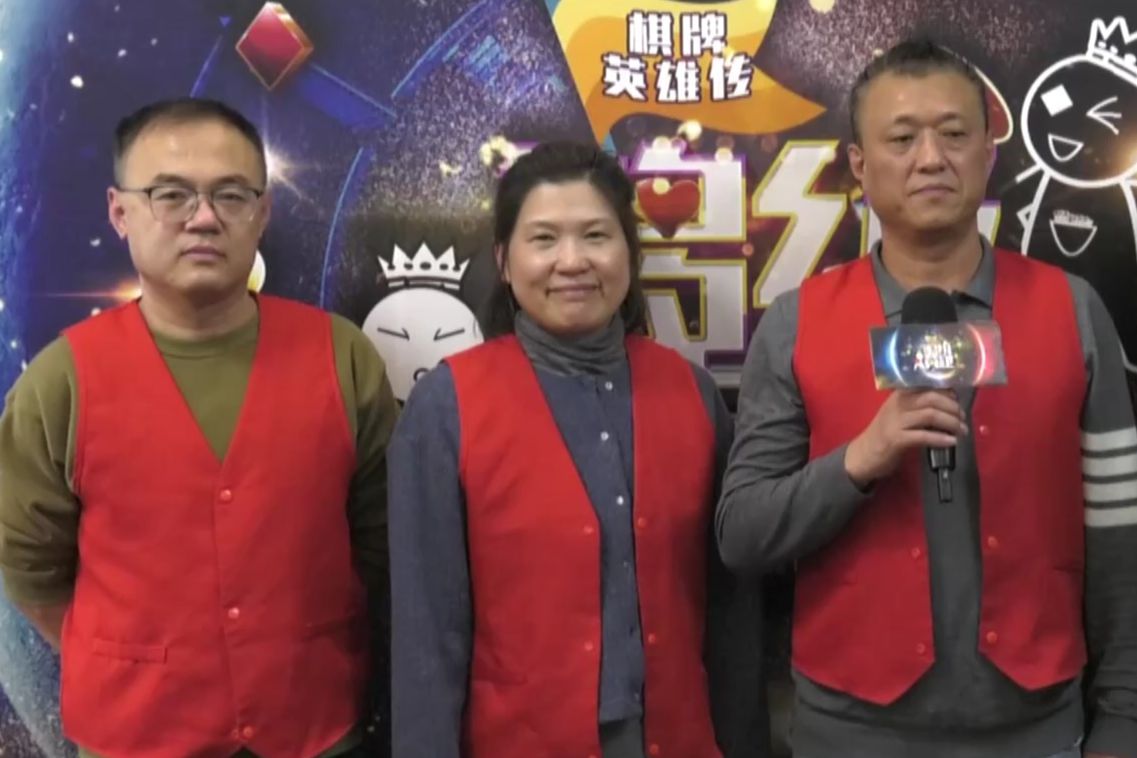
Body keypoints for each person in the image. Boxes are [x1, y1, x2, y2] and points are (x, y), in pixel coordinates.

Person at [717, 37, 1137, 758]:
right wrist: (860, 461)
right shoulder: (796, 322)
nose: (931, 159)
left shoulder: (1073, 310)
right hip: (847, 730)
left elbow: (1118, 533)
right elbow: (742, 534)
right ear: (859, 165)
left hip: (1034, 724)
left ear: (988, 154)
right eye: (902, 138)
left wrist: (1124, 714)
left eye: (953, 134)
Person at [0, 98, 398, 758]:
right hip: (133, 734)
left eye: (231, 195)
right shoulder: (60, 381)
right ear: (119, 212)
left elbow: (378, 538)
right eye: (171, 195)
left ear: (263, 212)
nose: (204, 217)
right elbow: (29, 564)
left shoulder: (341, 356)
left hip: (313, 726)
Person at [388, 141, 768, 758]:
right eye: (543, 239)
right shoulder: (446, 406)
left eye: (596, 235)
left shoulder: (691, 392)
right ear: (504, 261)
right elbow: (427, 634)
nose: (572, 261)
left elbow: (732, 612)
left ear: (630, 255)